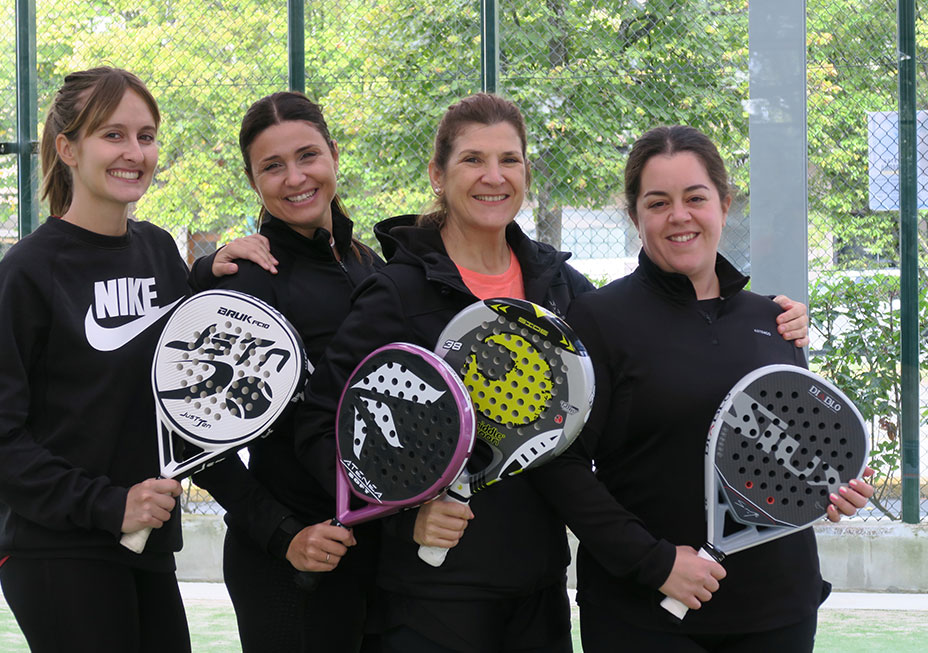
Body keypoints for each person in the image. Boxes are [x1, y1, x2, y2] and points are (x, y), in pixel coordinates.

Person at [293, 96, 812, 653]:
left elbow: (661, 331)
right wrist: (404, 511)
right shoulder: (396, 291)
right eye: (473, 160)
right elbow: (326, 424)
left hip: (538, 590)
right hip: (432, 599)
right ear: (438, 176)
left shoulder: (560, 288)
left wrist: (770, 320)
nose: (493, 177)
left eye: (509, 160)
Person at [529, 125, 874, 653]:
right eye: (658, 202)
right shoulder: (597, 320)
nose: (679, 216)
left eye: (695, 197)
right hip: (641, 618)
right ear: (635, 216)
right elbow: (560, 464)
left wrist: (830, 489)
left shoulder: (775, 321)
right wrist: (657, 563)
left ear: (724, 203)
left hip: (777, 610)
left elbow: (793, 454)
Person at [0, 67, 192, 652]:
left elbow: (186, 374)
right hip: (55, 551)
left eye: (146, 135)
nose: (134, 152)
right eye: (112, 135)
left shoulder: (161, 252)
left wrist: (216, 271)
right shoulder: (24, 277)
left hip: (147, 544)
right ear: (68, 148)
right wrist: (109, 506)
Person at [188, 91, 385, 653]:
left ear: (334, 155)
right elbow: (197, 442)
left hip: (380, 546)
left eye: (307, 156)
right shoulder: (244, 282)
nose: (295, 178)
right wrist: (284, 535)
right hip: (292, 563)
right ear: (253, 180)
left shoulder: (370, 265)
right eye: (272, 166)